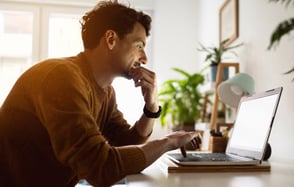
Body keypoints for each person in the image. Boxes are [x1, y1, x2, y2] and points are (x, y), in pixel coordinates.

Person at [0, 1, 201, 186]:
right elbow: (101, 168)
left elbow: (126, 143)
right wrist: (169, 141)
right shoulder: (61, 77)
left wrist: (151, 108)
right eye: (139, 45)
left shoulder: (106, 91)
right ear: (111, 39)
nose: (144, 58)